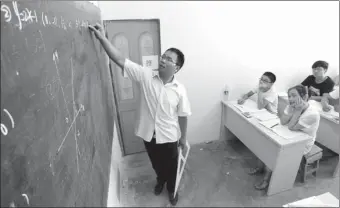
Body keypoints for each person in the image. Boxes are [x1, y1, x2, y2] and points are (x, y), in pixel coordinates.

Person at [89, 23, 192, 206]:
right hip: (148, 134)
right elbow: (120, 59)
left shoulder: (180, 90)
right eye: (163, 56)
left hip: (169, 136)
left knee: (172, 166)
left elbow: (183, 115)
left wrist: (183, 138)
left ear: (176, 68)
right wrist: (102, 38)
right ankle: (160, 180)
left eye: (168, 59)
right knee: (156, 163)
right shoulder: (145, 75)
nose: (162, 60)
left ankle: (171, 189)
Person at [252, 85, 320, 190]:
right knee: (266, 143)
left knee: (274, 151)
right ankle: (260, 168)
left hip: (303, 143)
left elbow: (291, 127)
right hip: (290, 134)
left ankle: (266, 179)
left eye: (294, 96)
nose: (291, 99)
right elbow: (283, 121)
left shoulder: (312, 114)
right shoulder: (291, 105)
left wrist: (297, 111)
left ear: (304, 97)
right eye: (289, 96)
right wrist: (293, 109)